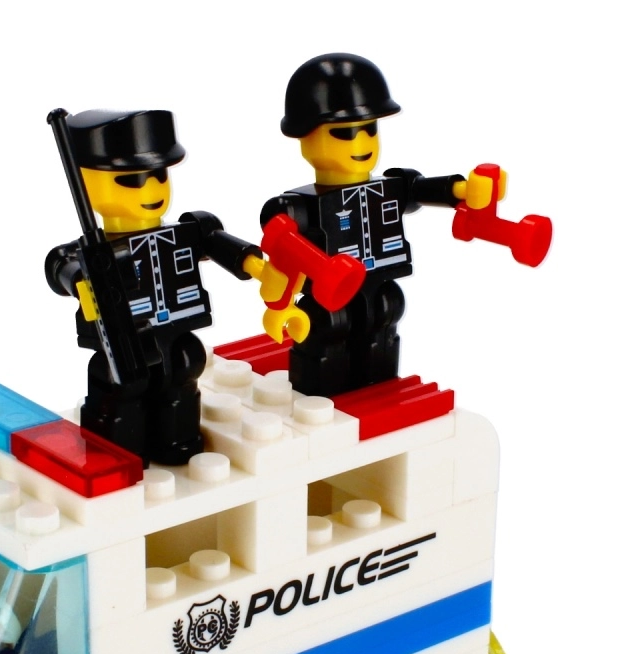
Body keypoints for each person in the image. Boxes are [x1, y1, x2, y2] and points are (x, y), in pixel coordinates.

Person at [261, 53, 491, 397]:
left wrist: (463, 190)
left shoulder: (389, 188)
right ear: (305, 138)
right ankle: (321, 399)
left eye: (370, 130)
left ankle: (377, 393)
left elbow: (421, 189)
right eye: (344, 133)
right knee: (328, 326)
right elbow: (280, 242)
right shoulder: (301, 205)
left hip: (377, 280)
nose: (362, 143)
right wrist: (280, 300)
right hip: (328, 294)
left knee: (386, 311)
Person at [47, 109, 262, 465]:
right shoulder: (94, 253)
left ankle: (178, 442)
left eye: (158, 175)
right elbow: (58, 262)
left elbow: (213, 239)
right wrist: (79, 280)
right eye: (129, 181)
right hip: (122, 341)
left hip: (174, 334)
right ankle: (121, 457)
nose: (150, 188)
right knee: (119, 388)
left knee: (184, 366)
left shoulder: (181, 234)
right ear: (87, 182)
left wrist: (251, 262)